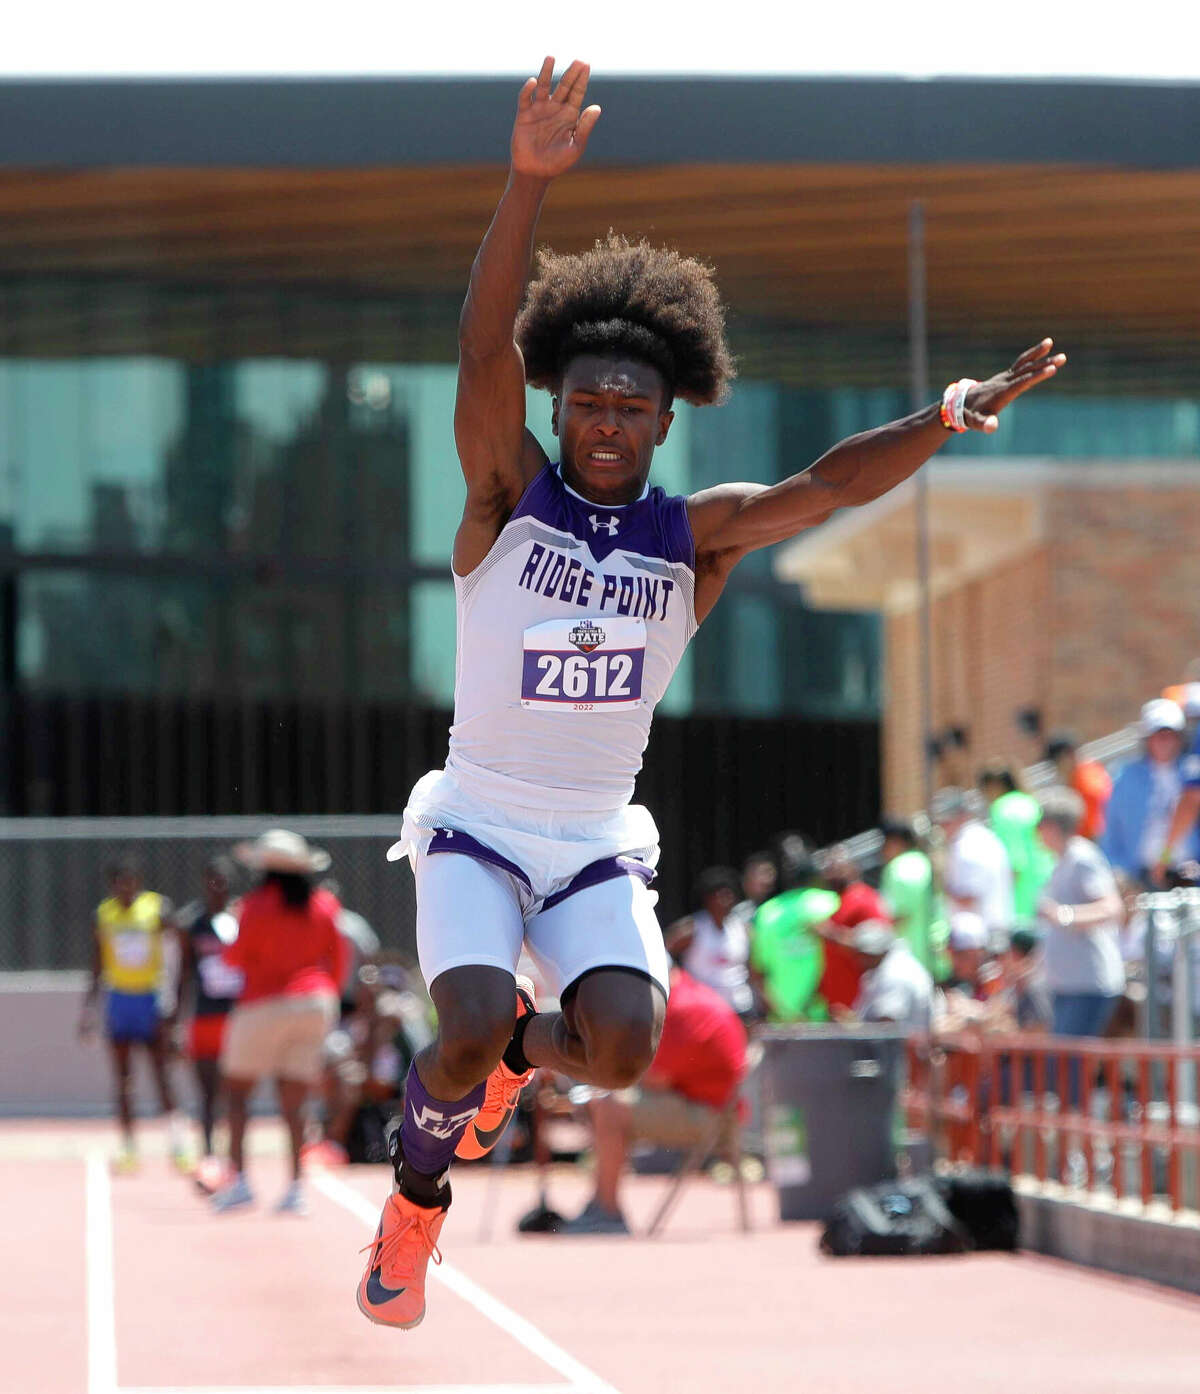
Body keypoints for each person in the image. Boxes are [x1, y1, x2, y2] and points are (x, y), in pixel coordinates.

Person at [355, 56, 1066, 1331]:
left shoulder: (696, 539)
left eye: (631, 407)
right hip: (476, 816)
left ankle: (526, 1055)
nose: (607, 424)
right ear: (557, 408)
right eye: (585, 404)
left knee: (619, 1049)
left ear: (667, 420)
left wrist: (946, 414)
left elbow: (831, 484)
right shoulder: (505, 499)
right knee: (459, 1024)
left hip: (590, 839)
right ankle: (414, 1204)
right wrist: (523, 184)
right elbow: (477, 348)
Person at [211, 829, 348, 1215]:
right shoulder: (324, 905)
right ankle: (295, 1188)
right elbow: (337, 958)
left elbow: (235, 957)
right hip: (314, 1003)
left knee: (237, 1092)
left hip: (263, 1002)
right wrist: (327, 996)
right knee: (295, 1100)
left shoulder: (253, 905)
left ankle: (239, 1181)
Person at [564, 962, 748, 1235]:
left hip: (715, 1118)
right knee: (606, 1102)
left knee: (609, 1108)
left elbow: (653, 1077)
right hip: (708, 1105)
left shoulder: (682, 1007)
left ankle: (607, 1212)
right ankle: (600, 1203)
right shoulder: (687, 993)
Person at [78, 854, 185, 1173]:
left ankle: (178, 1145)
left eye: (130, 881)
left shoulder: (156, 908)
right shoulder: (104, 914)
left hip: (150, 999)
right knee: (124, 1080)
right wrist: (89, 1009)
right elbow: (97, 964)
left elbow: (178, 952)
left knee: (162, 1076)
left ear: (138, 882)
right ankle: (128, 1149)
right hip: (120, 1000)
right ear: (111, 886)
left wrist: (172, 1002)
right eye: (118, 882)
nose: (125, 887)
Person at [1037, 787, 1126, 1040]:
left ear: (1052, 826)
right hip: (1068, 983)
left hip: (1088, 983)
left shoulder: (1082, 857)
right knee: (1065, 1067)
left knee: (1067, 1067)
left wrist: (1064, 915)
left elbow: (1111, 908)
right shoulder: (1061, 860)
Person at [174, 856, 243, 1174]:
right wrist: (175, 1017)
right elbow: (184, 972)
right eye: (211, 881)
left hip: (234, 1016)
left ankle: (234, 1154)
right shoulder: (193, 924)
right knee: (207, 1090)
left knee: (233, 1088)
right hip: (203, 1015)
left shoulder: (240, 920)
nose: (217, 887)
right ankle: (208, 1151)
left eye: (222, 881)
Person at [1103, 698, 1199, 887]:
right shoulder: (1125, 776)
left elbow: (1189, 806)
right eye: (1158, 735)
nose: (1165, 741)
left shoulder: (1192, 771)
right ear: (1146, 739)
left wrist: (1164, 857)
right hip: (1142, 877)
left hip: (1192, 874)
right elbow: (1112, 829)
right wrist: (1121, 874)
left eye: (1171, 734)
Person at [749, 838, 840, 1022]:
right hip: (819, 1020)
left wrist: (784, 1013)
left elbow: (758, 974)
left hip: (794, 1021)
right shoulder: (831, 901)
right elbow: (758, 971)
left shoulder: (768, 912)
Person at [664, 866, 754, 1017]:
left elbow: (753, 969)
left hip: (739, 1006)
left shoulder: (743, 929)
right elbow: (662, 953)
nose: (724, 900)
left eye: (728, 895)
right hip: (702, 1009)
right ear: (707, 898)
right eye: (719, 895)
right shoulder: (691, 929)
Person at [932, 787, 1014, 949]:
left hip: (977, 939)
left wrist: (941, 882)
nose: (942, 828)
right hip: (995, 930)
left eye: (946, 822)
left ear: (963, 816)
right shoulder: (987, 837)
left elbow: (967, 897)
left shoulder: (966, 846)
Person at [813, 845, 891, 1014]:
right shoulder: (839, 900)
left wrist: (830, 934)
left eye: (838, 865)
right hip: (838, 1005)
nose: (832, 871)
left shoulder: (864, 898)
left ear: (853, 867)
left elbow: (881, 944)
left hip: (859, 1002)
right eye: (829, 867)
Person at [978, 763, 1054, 922]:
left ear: (993, 786)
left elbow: (1014, 861)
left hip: (1025, 896)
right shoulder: (1030, 802)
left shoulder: (1003, 809)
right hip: (1050, 879)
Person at [878, 815, 947, 978]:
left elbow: (897, 917)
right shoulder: (924, 862)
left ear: (896, 842)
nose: (882, 850)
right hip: (937, 955)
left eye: (885, 843)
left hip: (911, 962)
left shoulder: (898, 869)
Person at [845, 922, 935, 1033]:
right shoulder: (890, 965)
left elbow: (886, 1027)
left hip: (903, 1048)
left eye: (864, 955)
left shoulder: (895, 974)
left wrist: (852, 1027)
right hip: (902, 1045)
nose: (859, 960)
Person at [1043, 730, 1112, 842]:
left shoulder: (1083, 779)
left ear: (1067, 755)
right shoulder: (1091, 768)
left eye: (1055, 762)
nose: (1055, 769)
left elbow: (1095, 826)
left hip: (1100, 840)